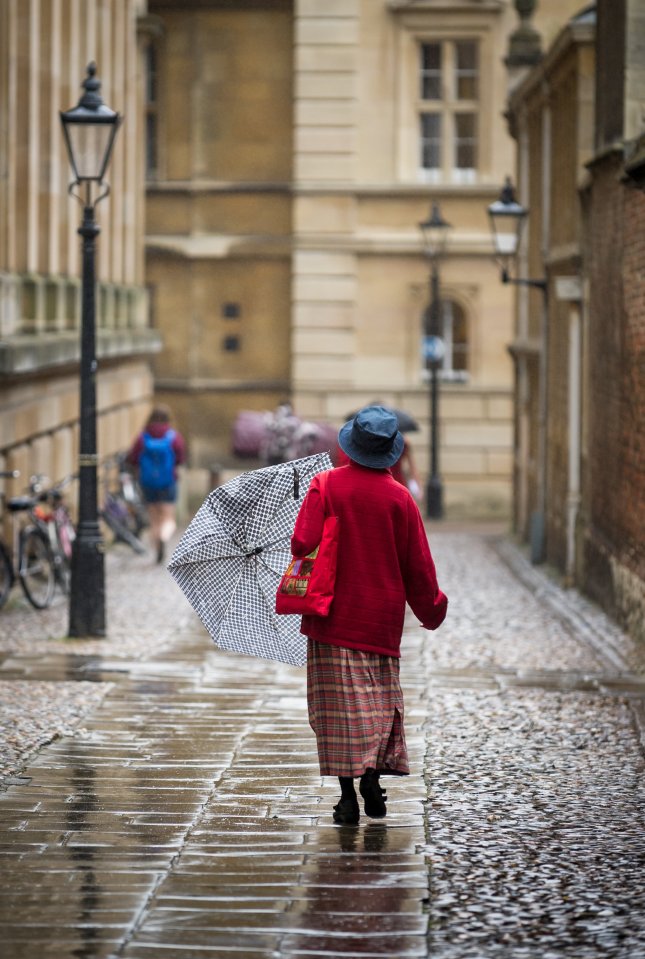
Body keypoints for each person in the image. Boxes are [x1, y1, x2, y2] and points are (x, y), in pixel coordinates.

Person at [290, 405, 448, 826]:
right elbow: (418, 567)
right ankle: (371, 784)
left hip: (332, 616)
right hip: (380, 621)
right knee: (376, 707)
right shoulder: (401, 499)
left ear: (351, 446)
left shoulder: (325, 485)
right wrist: (433, 609)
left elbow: (302, 543)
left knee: (340, 711)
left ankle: (346, 799)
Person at [127, 405, 186, 563]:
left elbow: (133, 457)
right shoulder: (173, 437)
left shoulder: (143, 437)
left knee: (154, 518)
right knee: (168, 517)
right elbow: (180, 458)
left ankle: (157, 547)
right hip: (168, 481)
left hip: (147, 482)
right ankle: (164, 537)